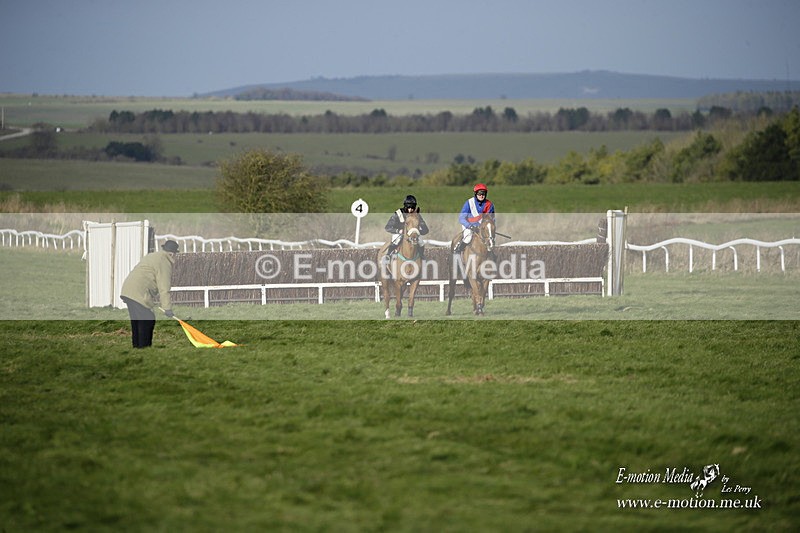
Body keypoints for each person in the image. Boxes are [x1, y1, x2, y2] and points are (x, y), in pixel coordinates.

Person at [120, 239, 179, 348]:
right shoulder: (164, 261)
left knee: (137, 320)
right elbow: (164, 287)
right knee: (147, 319)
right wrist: (167, 308)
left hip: (128, 289)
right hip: (138, 292)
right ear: (171, 253)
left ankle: (137, 347)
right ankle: (144, 348)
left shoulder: (152, 256)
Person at [384, 194, 429, 261]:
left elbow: (425, 229)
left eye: (412, 208)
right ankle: (388, 255)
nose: (410, 210)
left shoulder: (416, 215)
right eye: (409, 208)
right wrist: (398, 231)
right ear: (405, 206)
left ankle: (422, 256)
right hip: (399, 233)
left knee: (421, 242)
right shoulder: (398, 214)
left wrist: (418, 231)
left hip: (413, 234)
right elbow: (388, 227)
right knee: (396, 241)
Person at [453, 183, 495, 254]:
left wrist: (491, 229)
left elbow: (492, 219)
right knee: (468, 238)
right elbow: (461, 218)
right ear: (476, 194)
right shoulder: (469, 203)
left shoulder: (489, 205)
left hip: (482, 227)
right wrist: (470, 226)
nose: (481, 195)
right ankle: (457, 252)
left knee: (489, 240)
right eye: (479, 193)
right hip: (469, 225)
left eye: (483, 193)